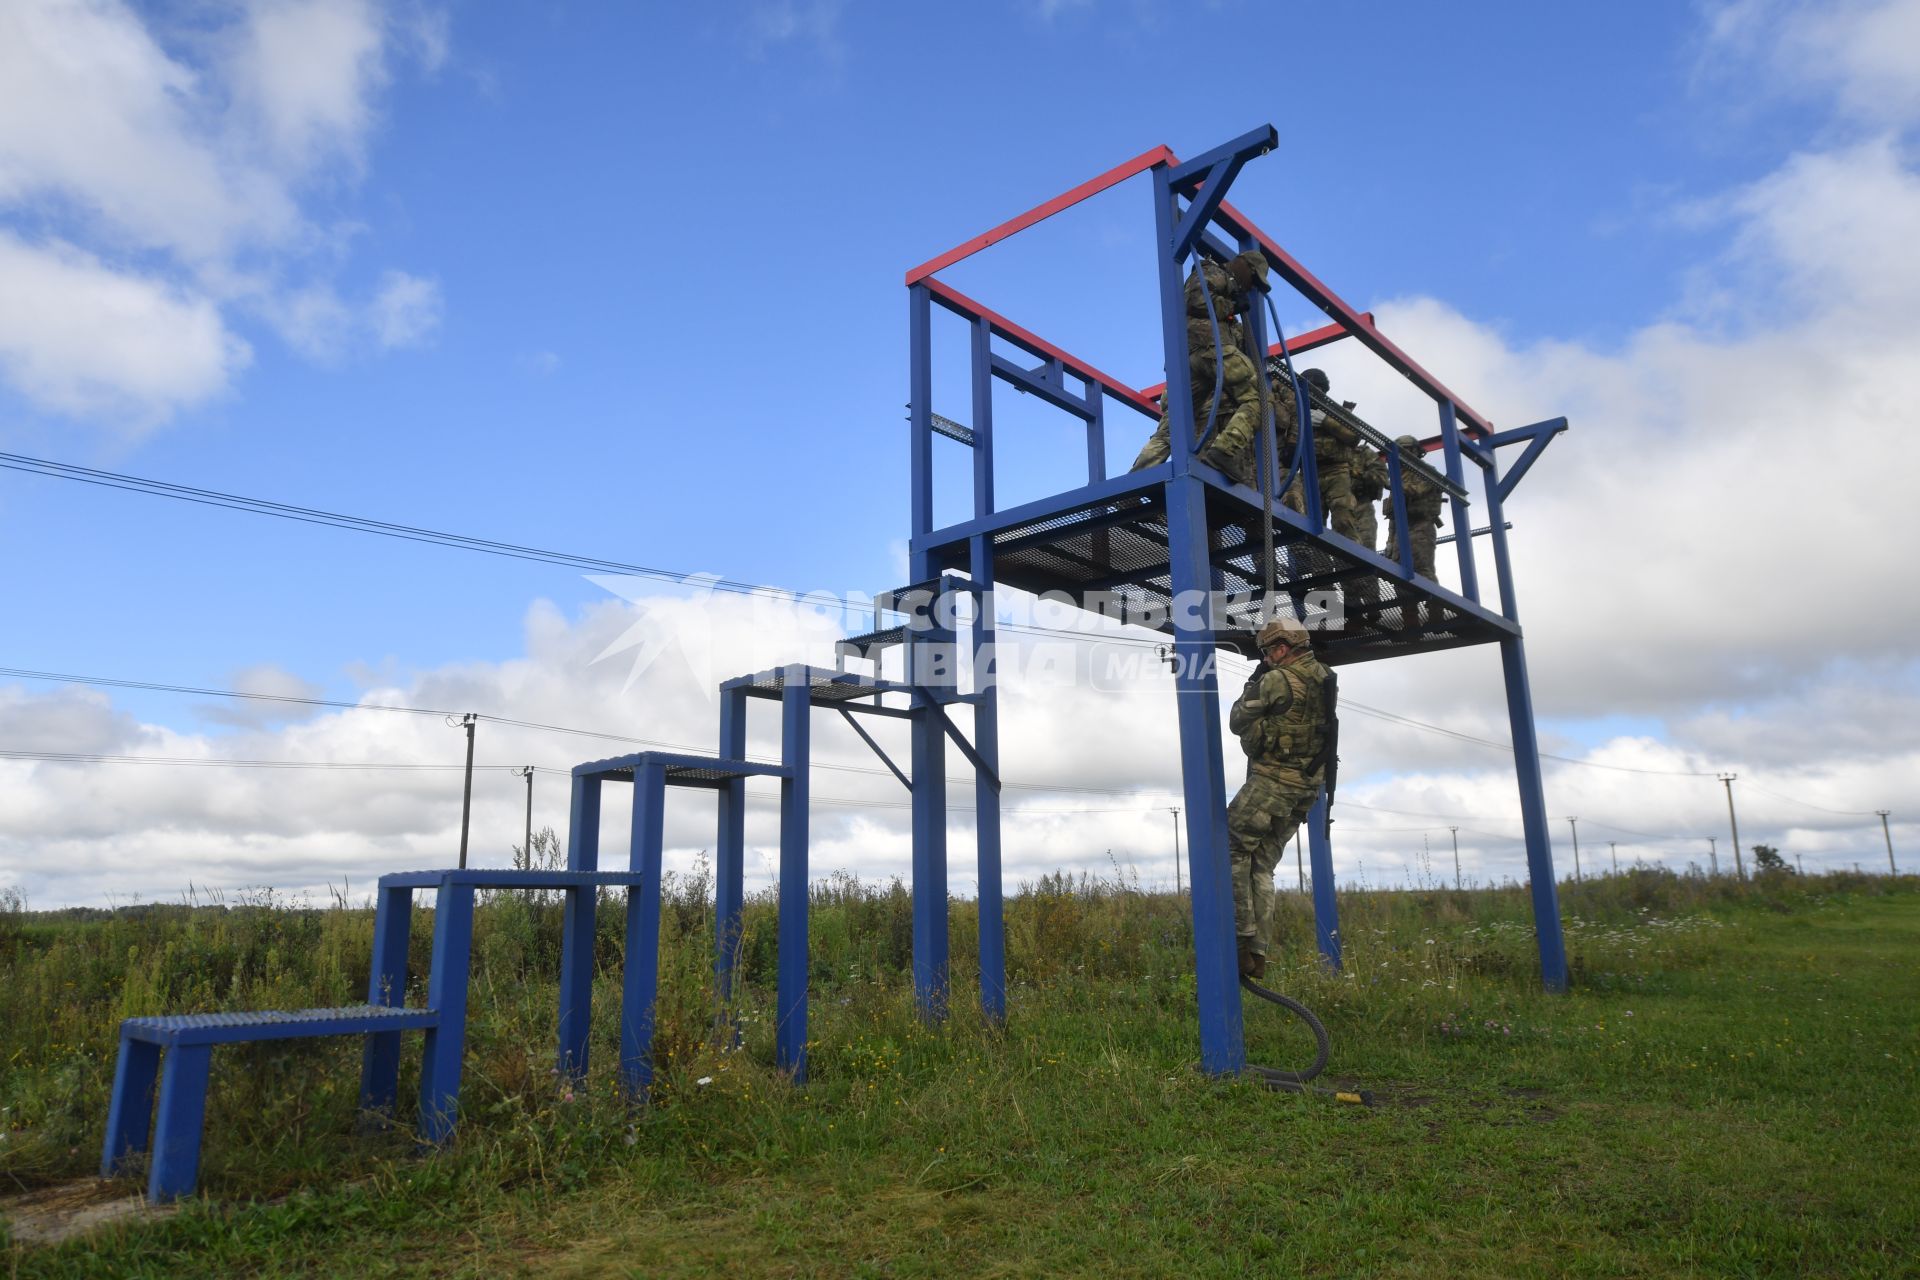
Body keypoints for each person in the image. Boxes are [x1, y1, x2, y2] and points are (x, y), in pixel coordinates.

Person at [1226, 614, 1334, 979]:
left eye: (1269, 652)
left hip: (1272, 783)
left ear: (1282, 648)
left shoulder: (1275, 680)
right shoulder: (1324, 676)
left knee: (1231, 847)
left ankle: (1240, 940)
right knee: (1262, 864)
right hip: (1305, 788)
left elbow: (1237, 720)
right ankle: (1259, 951)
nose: (1267, 658)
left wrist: (1252, 682)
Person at [1130, 250, 1270, 484]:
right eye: (1253, 280)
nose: (1251, 287)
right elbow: (1196, 299)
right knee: (1260, 397)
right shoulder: (1215, 273)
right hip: (1209, 348)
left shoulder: (1219, 279)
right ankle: (1224, 450)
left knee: (1173, 425)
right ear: (1245, 267)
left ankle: (1135, 482)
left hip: (1192, 356)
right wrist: (1232, 306)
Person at [1384, 434, 1445, 581]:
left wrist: (1390, 483)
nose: (1402, 454)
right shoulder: (1397, 476)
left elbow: (1417, 490)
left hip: (1421, 526)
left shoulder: (1427, 471)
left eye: (1406, 450)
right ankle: (1407, 604)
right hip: (1401, 529)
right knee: (1398, 570)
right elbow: (1394, 515)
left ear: (1416, 451)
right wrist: (1390, 541)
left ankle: (1435, 603)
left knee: (1422, 568)